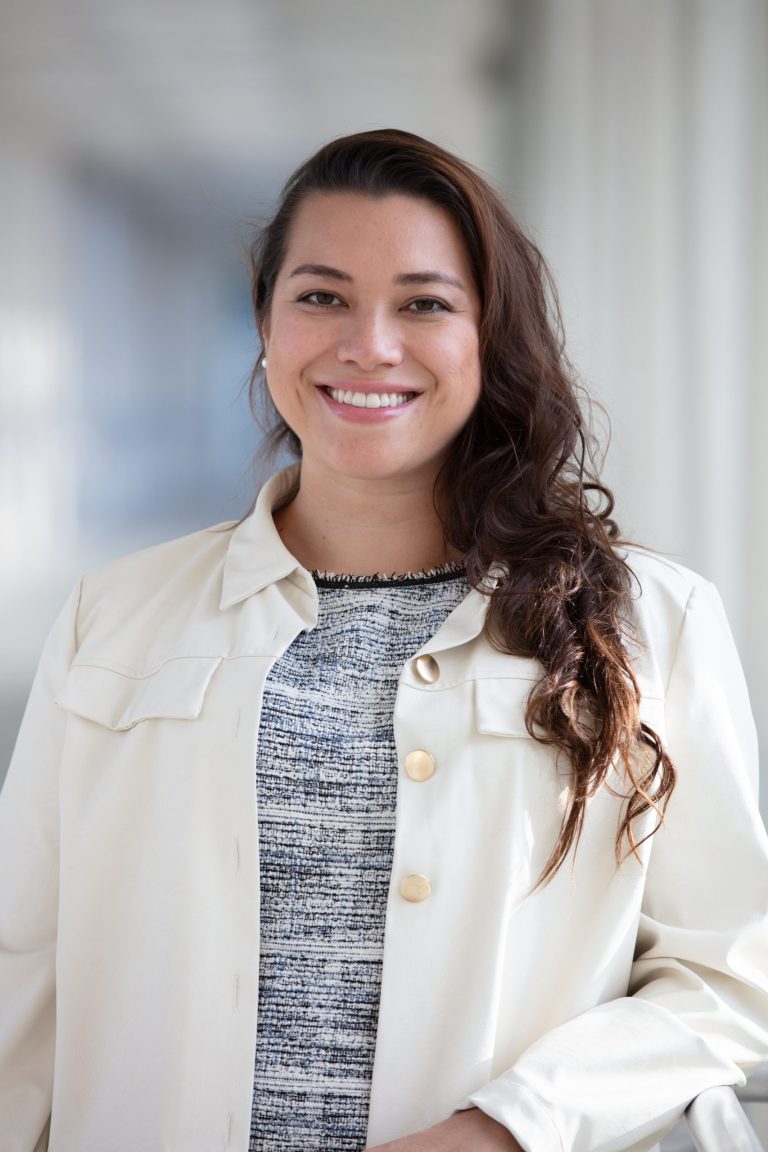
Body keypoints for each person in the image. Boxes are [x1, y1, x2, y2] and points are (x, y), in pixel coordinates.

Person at [1, 128, 767, 1152]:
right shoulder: (117, 611)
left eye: (425, 303)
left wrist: (504, 1131)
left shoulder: (649, 620)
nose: (369, 343)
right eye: (321, 296)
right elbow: (24, 969)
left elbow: (727, 979)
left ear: (489, 337)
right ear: (266, 323)